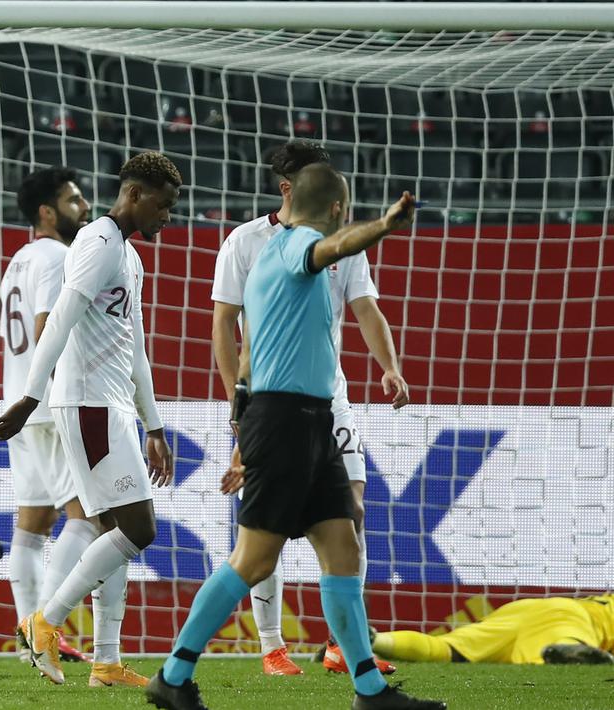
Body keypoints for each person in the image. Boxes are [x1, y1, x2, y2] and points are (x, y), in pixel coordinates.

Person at [145, 164, 443, 710]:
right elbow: (331, 253)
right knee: (254, 560)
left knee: (342, 546)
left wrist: (242, 426)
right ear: (336, 210)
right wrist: (388, 223)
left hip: (304, 420)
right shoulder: (301, 245)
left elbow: (250, 355)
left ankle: (369, 691)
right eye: (346, 213)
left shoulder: (265, 264)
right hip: (285, 421)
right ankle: (173, 673)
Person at [211, 139, 404, 676]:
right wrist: (237, 403)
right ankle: (271, 645)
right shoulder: (247, 242)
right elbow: (225, 326)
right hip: (271, 400)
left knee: (353, 512)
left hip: (329, 399)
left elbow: (366, 308)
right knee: (264, 531)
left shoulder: (344, 244)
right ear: (287, 187)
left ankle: (345, 645)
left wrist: (390, 365)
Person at [0, 151, 181, 688]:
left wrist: (156, 425)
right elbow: (59, 321)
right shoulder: (95, 243)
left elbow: (136, 347)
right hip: (87, 404)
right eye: (163, 206)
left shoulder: (130, 255)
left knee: (113, 527)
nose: (168, 217)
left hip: (115, 403)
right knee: (137, 529)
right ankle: (45, 623)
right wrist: (30, 397)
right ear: (135, 195)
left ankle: (105, 661)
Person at [2, 167, 96, 666]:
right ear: (47, 212)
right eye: (73, 199)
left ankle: (28, 634)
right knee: (91, 517)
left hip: (16, 403)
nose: (83, 206)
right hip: (48, 403)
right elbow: (46, 331)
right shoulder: (60, 256)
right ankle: (44, 629)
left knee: (33, 523)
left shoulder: (17, 261)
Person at [372, 594, 614, 665]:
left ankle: (372, 640)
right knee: (556, 657)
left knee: (446, 650)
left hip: (523, 610)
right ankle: (574, 651)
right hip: (571, 618)